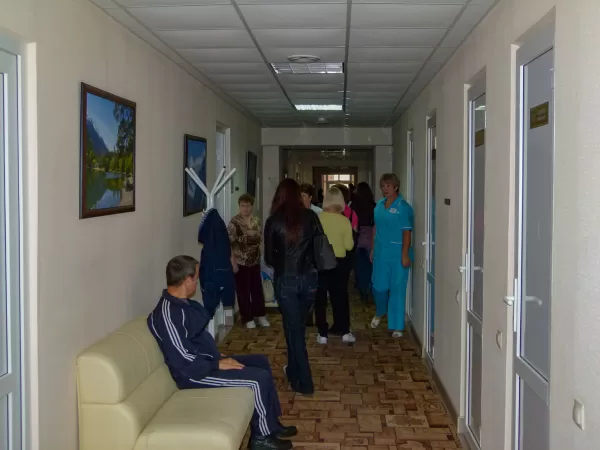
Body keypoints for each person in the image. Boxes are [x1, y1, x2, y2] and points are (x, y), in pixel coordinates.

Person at [147, 255, 296, 450]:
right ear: (187, 280)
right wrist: (216, 364)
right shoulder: (168, 314)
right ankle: (260, 438)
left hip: (206, 362)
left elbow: (196, 341)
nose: (198, 281)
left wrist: (218, 357)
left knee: (260, 362)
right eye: (196, 277)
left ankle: (271, 424)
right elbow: (182, 357)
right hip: (194, 374)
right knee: (257, 379)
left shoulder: (182, 304)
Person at [264, 179, 321, 395]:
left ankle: (305, 382)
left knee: (294, 329)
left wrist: (282, 261)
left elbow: (269, 258)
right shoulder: (311, 216)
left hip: (286, 281)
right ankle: (294, 372)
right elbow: (319, 248)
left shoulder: (273, 221)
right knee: (295, 327)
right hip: (309, 280)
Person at [370, 173, 413, 338]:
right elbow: (376, 228)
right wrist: (373, 248)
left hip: (398, 254)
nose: (385, 189)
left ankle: (397, 326)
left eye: (388, 186)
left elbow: (407, 232)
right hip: (381, 252)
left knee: (397, 289)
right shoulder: (379, 205)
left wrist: (405, 255)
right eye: (383, 186)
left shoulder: (403, 207)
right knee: (378, 286)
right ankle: (380, 311)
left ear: (396, 187)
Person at [314, 186, 355, 344]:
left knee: (320, 299)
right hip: (339, 263)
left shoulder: (318, 218)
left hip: (321, 262)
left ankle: (322, 334)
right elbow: (349, 246)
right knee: (340, 297)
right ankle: (344, 332)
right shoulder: (344, 220)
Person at [228, 194, 270, 329]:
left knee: (257, 289)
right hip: (240, 262)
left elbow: (260, 240)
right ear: (239, 206)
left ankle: (260, 315)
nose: (245, 208)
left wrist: (263, 257)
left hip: (255, 261)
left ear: (252, 206)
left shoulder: (256, 221)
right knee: (243, 291)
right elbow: (229, 244)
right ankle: (247, 317)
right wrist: (233, 262)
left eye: (248, 205)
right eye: (242, 206)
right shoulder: (234, 222)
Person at [351, 182, 376, 302]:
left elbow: (353, 226)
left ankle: (363, 291)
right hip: (372, 240)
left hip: (359, 241)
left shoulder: (354, 207)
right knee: (371, 267)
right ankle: (370, 288)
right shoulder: (375, 206)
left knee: (360, 269)